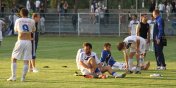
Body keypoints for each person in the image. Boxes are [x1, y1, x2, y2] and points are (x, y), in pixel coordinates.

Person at [7, 8, 36, 82]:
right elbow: (33, 30)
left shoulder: (18, 20)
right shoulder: (32, 21)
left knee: (14, 58)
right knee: (26, 60)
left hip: (20, 40)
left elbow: (16, 30)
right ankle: (23, 78)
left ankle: (13, 76)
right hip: (28, 41)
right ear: (27, 13)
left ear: (21, 14)